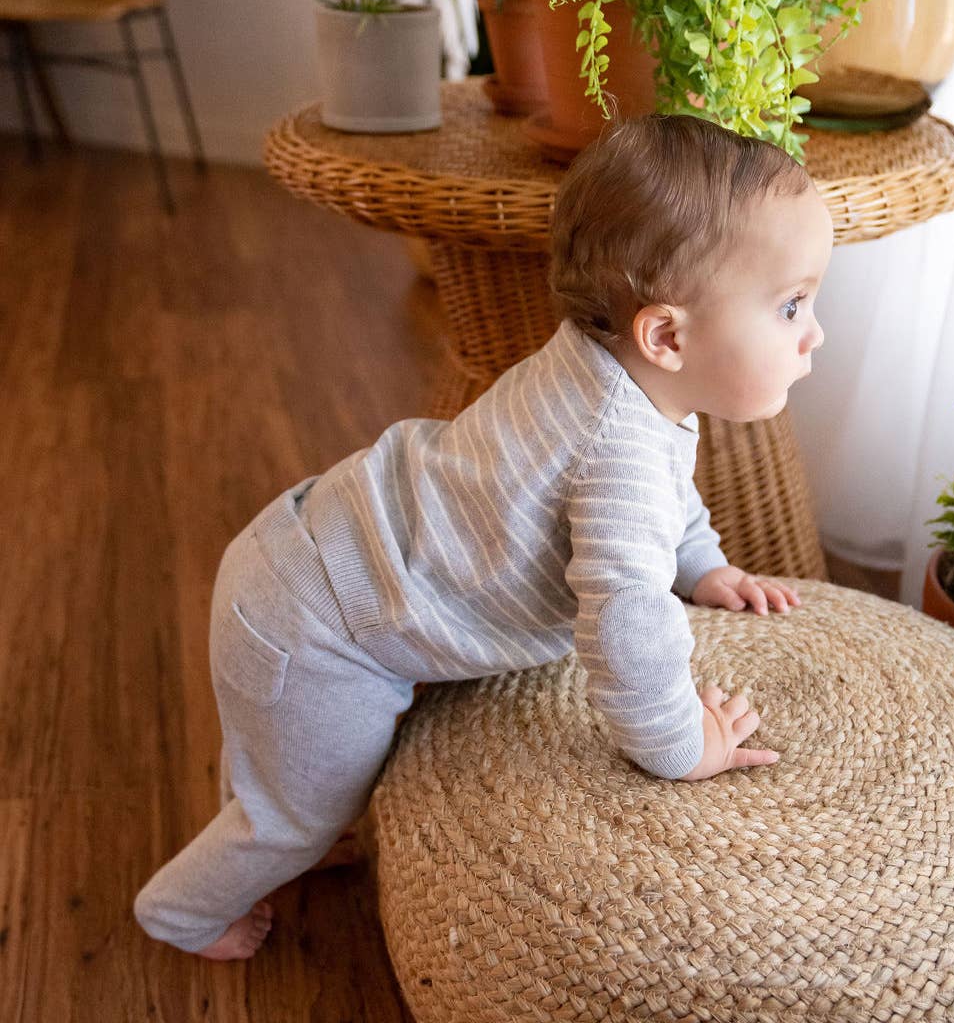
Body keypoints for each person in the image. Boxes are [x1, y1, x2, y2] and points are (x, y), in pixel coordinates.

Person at [134, 113, 833, 961]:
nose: (814, 333)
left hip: (309, 550)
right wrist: (684, 745)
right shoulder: (619, 449)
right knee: (293, 819)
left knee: (278, 758)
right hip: (324, 628)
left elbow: (661, 499)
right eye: (792, 304)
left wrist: (702, 563)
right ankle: (183, 912)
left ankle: (268, 797)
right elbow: (624, 630)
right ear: (667, 335)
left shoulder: (603, 363)